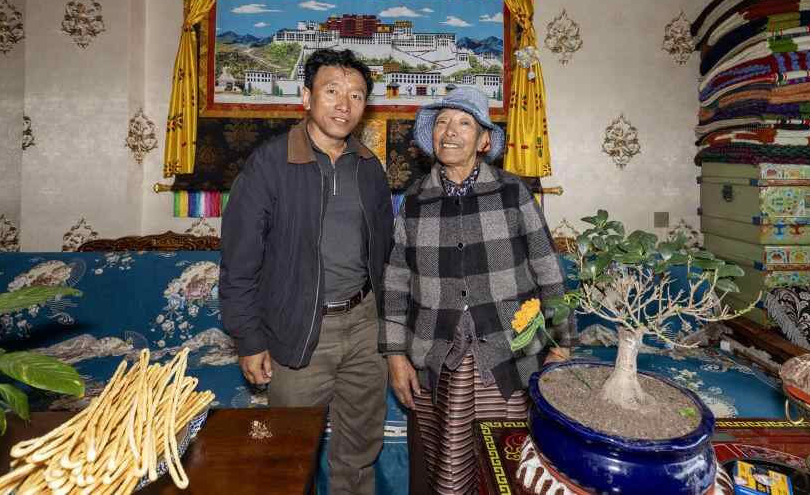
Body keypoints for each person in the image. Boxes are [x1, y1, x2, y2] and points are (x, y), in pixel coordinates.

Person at [378, 86, 573, 494]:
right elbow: (395, 282)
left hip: (508, 351)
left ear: (484, 141)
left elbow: (547, 269)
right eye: (442, 122)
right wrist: (395, 356)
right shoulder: (414, 200)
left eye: (464, 123)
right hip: (436, 352)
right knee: (446, 465)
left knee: (508, 463)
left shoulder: (512, 192)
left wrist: (560, 344)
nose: (450, 131)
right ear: (432, 136)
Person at [220, 48, 394, 495]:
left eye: (356, 95)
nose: (344, 104)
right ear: (306, 97)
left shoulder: (369, 168)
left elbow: (385, 256)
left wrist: (391, 330)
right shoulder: (270, 164)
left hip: (365, 325)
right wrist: (249, 339)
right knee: (289, 451)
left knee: (360, 450)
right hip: (299, 326)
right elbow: (239, 263)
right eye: (332, 91)